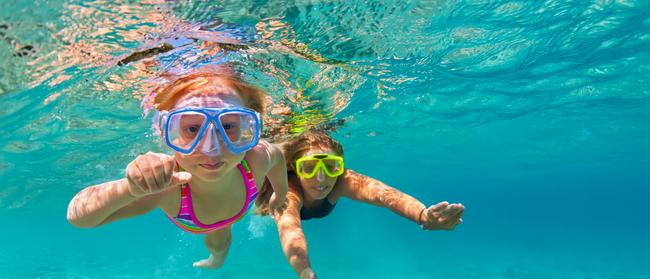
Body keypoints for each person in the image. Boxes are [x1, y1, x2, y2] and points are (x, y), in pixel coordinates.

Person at [67, 66, 289, 269]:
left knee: (222, 240)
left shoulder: (257, 157)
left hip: (230, 216)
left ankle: (216, 261)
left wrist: (279, 195)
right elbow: (79, 217)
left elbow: (278, 159)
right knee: (218, 238)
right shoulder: (167, 186)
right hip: (197, 219)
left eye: (228, 126)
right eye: (192, 129)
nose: (211, 148)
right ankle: (216, 260)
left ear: (248, 126)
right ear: (168, 132)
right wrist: (131, 189)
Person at [256, 130, 465, 278]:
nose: (321, 178)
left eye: (331, 167)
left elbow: (385, 195)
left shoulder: (343, 182)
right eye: (309, 168)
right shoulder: (288, 192)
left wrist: (423, 215)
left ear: (341, 168)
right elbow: (291, 230)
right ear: (296, 168)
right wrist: (303, 270)